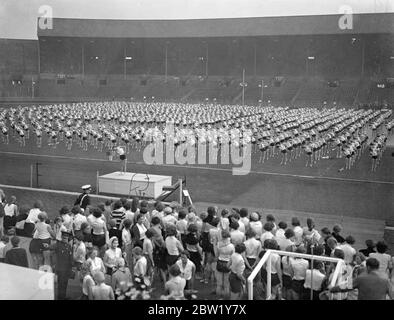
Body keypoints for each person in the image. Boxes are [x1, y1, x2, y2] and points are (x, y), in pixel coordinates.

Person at [49, 231, 73, 300]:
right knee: (61, 284)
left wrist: (72, 267)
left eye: (66, 238)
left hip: (67, 268)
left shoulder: (69, 246)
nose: (65, 239)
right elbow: (50, 247)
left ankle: (63, 296)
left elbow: (70, 257)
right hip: (60, 268)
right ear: (62, 238)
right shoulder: (58, 244)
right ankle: (60, 297)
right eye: (64, 237)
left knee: (65, 283)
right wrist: (48, 246)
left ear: (68, 238)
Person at [215, 229, 234, 298]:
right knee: (226, 284)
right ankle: (226, 298)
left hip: (220, 262)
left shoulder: (219, 244)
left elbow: (217, 254)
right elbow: (232, 257)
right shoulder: (231, 246)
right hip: (228, 263)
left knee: (219, 283)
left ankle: (218, 297)